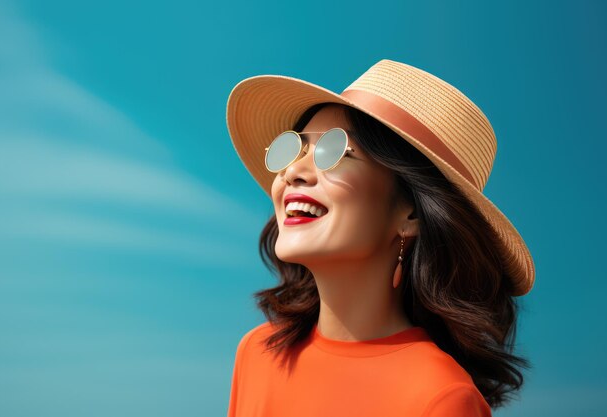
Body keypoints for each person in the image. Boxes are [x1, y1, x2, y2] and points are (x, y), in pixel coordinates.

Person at [225, 59, 535, 416]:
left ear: (413, 213)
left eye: (335, 152)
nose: (293, 171)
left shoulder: (442, 399)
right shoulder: (257, 353)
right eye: (295, 148)